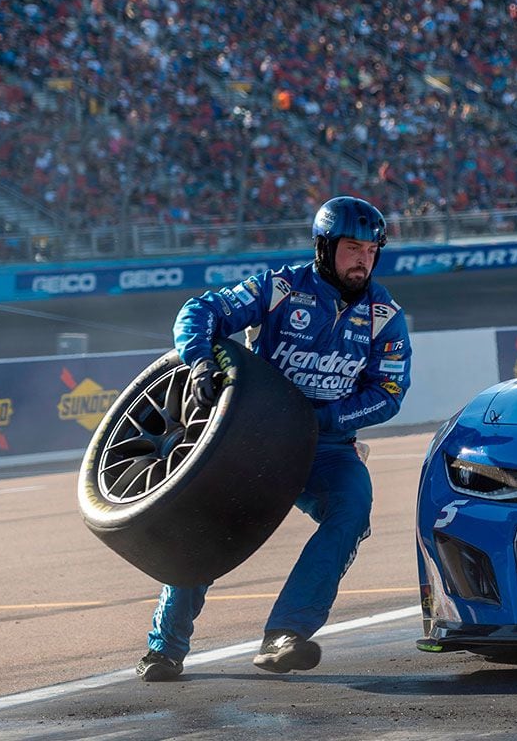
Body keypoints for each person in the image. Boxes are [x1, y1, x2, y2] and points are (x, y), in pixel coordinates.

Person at [135, 196, 410, 682]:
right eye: (352, 247)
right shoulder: (280, 288)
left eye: (371, 249)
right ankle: (165, 649)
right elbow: (200, 310)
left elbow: (388, 392)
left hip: (325, 448)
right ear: (325, 247)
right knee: (204, 528)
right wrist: (200, 360)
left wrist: (322, 420)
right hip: (252, 439)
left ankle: (287, 635)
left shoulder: (386, 315)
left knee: (352, 507)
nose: (362, 258)